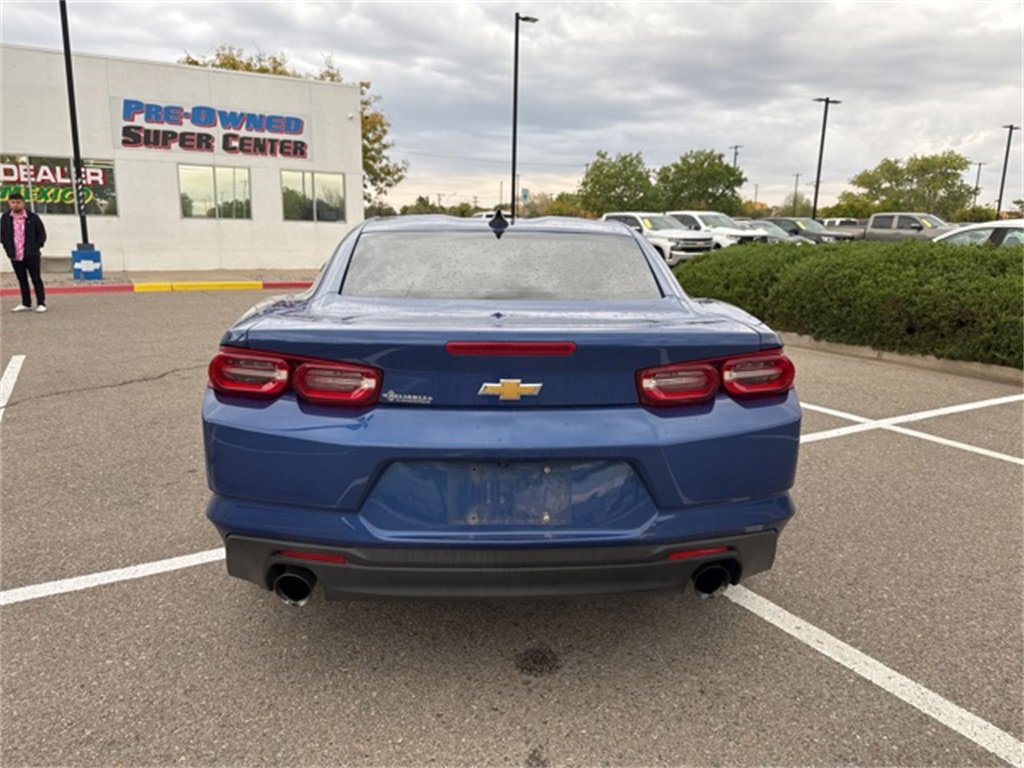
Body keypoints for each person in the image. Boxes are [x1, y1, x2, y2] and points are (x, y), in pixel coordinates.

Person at [1, 192, 48, 313]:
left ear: (23, 203)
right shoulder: (5, 218)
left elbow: (41, 234)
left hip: (31, 255)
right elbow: (2, 235)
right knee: (22, 279)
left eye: (18, 202)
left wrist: (35, 248)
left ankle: (41, 303)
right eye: (13, 202)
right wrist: (8, 249)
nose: (15, 205)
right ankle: (26, 303)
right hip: (15, 255)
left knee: (36, 278)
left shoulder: (33, 218)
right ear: (9, 203)